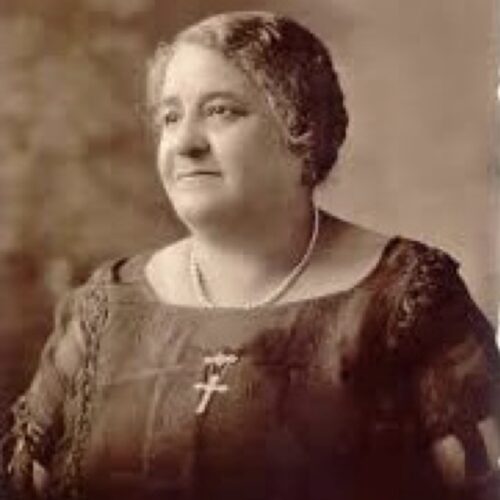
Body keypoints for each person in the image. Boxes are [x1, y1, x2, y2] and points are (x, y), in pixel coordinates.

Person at [1, 10, 500, 500]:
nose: (185, 142)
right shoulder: (104, 309)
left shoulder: (406, 299)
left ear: (301, 131)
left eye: (221, 111)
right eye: (170, 117)